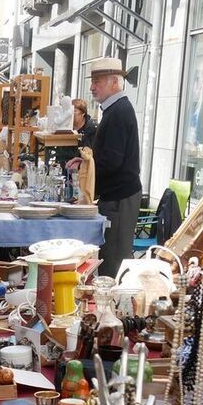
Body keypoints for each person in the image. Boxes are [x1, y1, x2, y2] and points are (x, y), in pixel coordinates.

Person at [69, 57, 141, 277]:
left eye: (97, 81)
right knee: (110, 258)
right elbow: (109, 157)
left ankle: (112, 309)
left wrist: (87, 166)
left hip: (120, 198)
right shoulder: (115, 109)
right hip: (118, 196)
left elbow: (112, 161)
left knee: (113, 262)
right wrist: (86, 162)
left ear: (114, 82)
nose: (92, 86)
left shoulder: (118, 111)